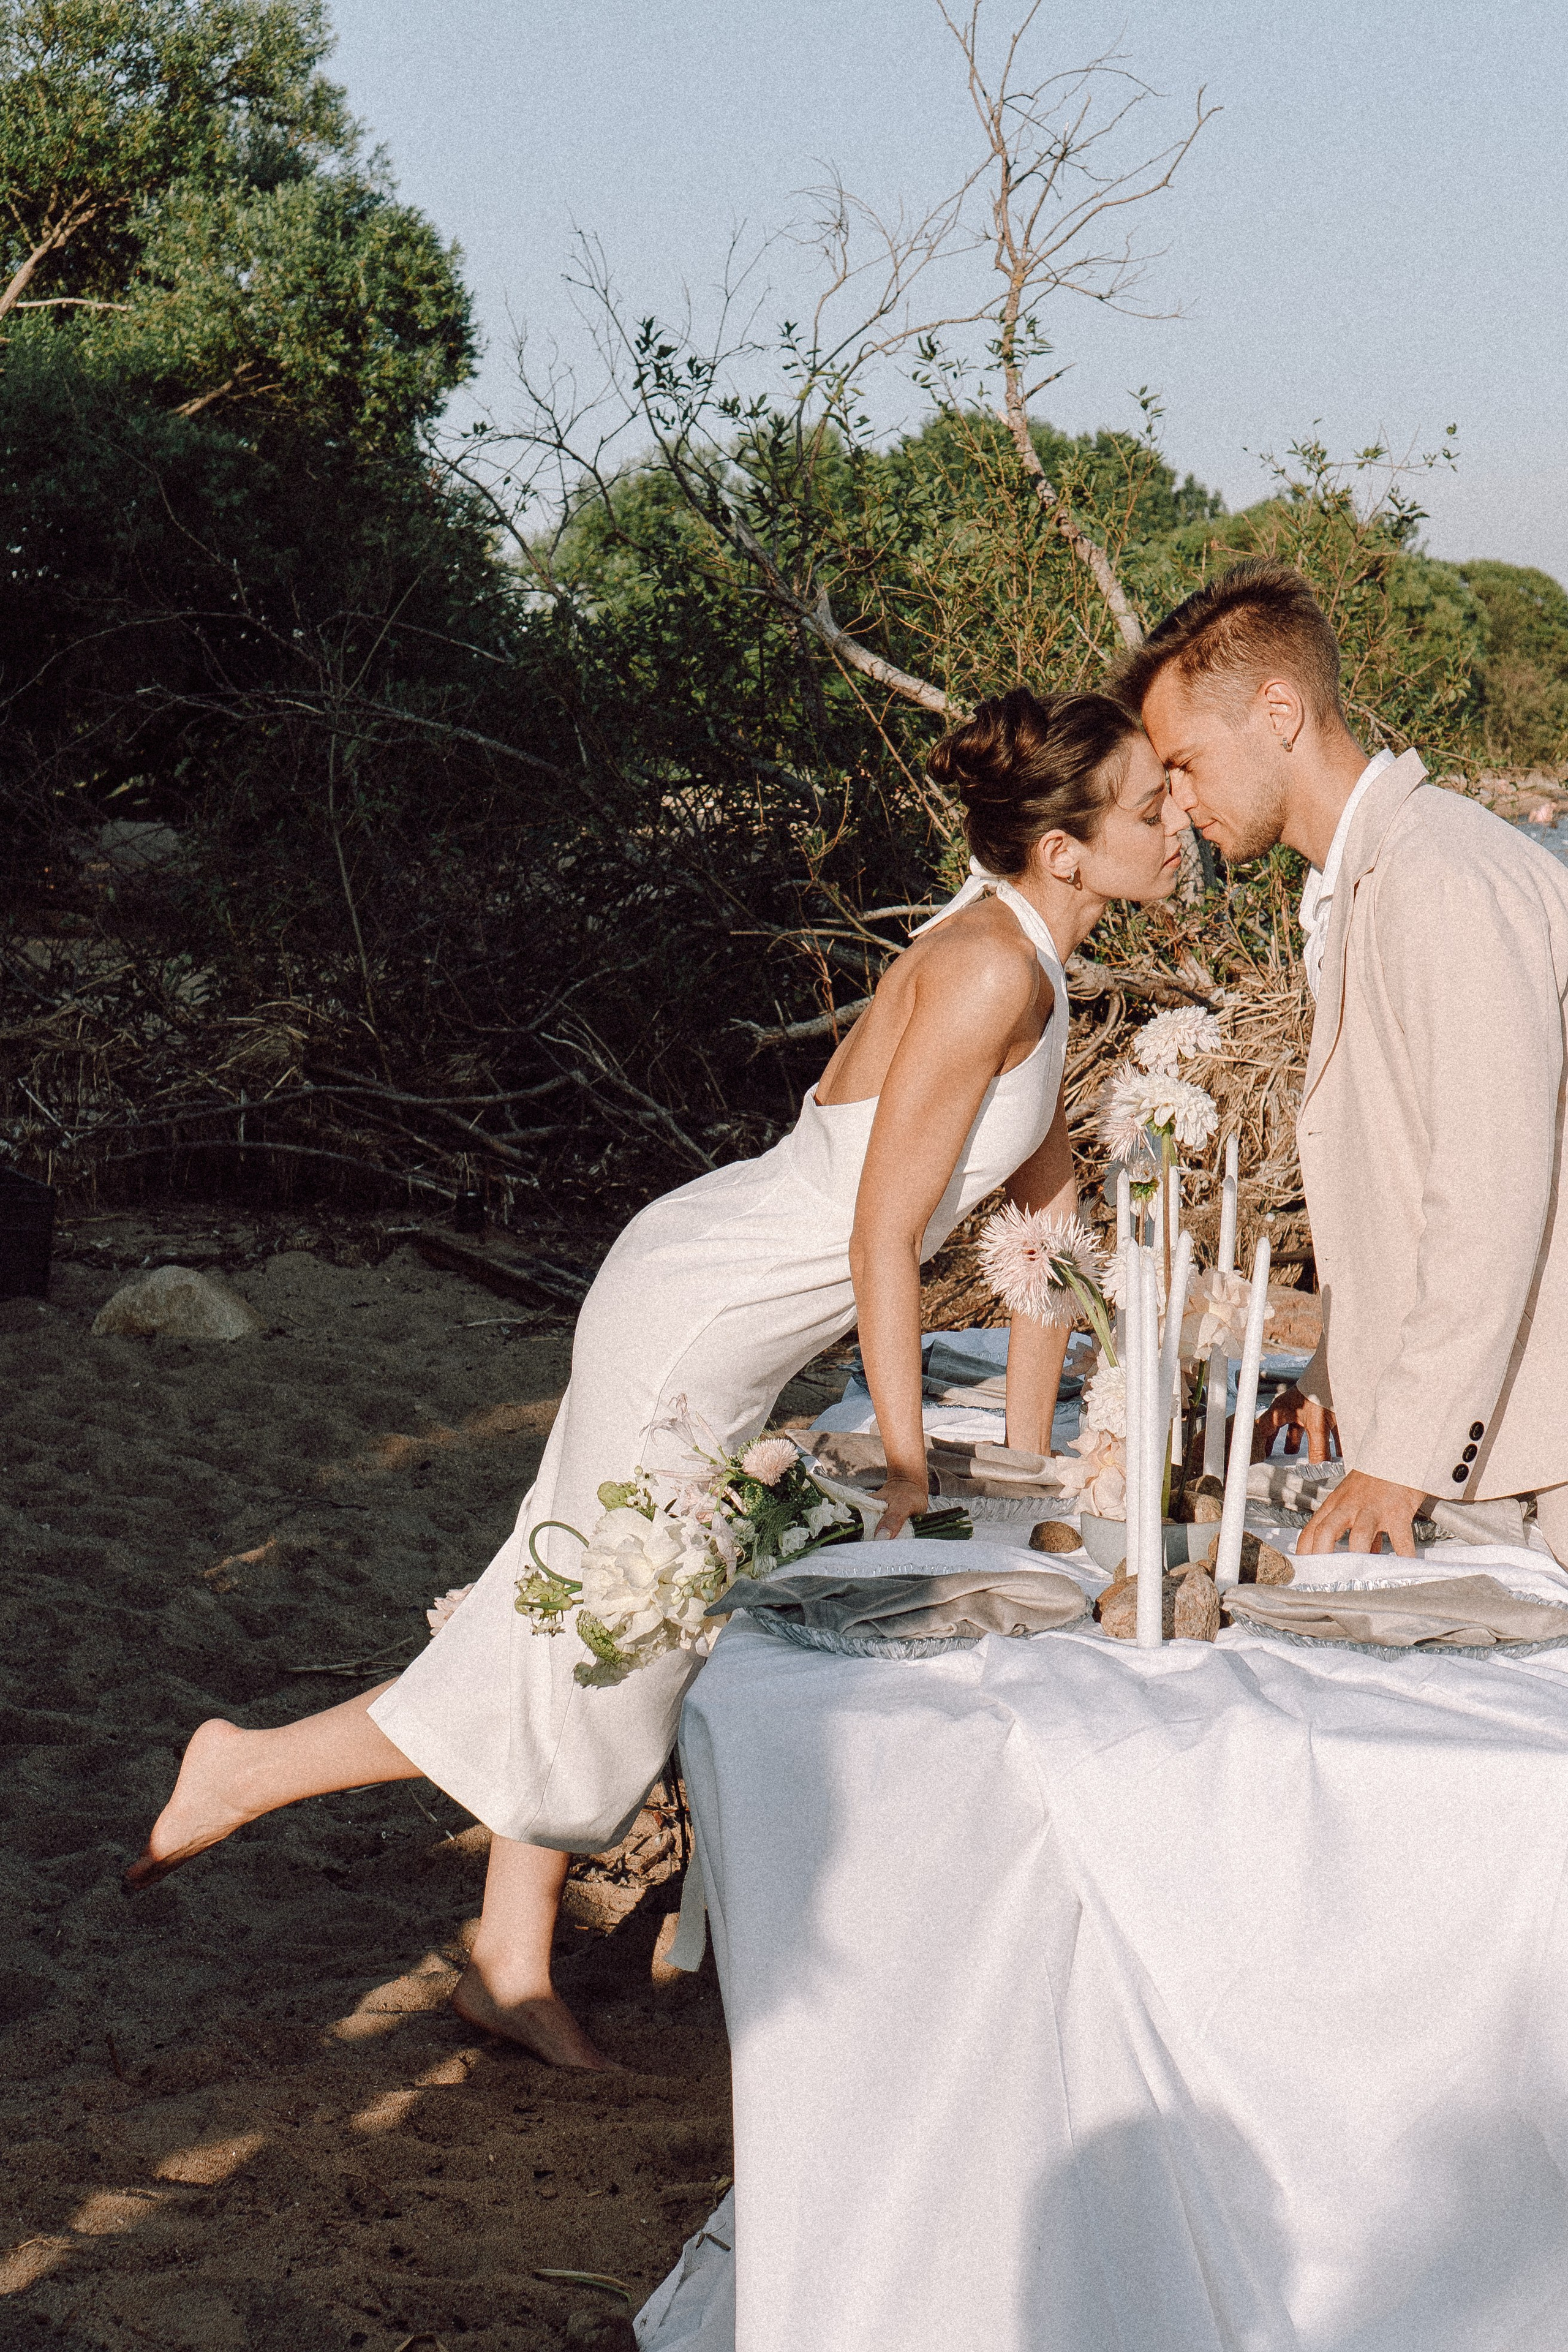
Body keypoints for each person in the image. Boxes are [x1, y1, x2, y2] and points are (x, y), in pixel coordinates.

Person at [129, 688, 1188, 2065]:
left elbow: (1038, 1235)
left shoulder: (1040, 973)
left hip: (725, 1307)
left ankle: (508, 1959)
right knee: (616, 1632)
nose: (1180, 831)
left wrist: (1045, 1451)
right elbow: (882, 1228)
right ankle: (250, 1767)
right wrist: (912, 1461)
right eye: (1153, 810)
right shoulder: (990, 968)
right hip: (696, 1313)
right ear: (1064, 848)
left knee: (577, 1618)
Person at [1118, 557, 1568, 1563]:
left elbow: (1491, 1195)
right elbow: (1404, 1175)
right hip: (1491, 1461)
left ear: (1278, 710)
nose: (1180, 804)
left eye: (1185, 762)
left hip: (1540, 1472)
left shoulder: (1442, 879)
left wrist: (1399, 1456)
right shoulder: (1366, 879)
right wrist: (1337, 1370)